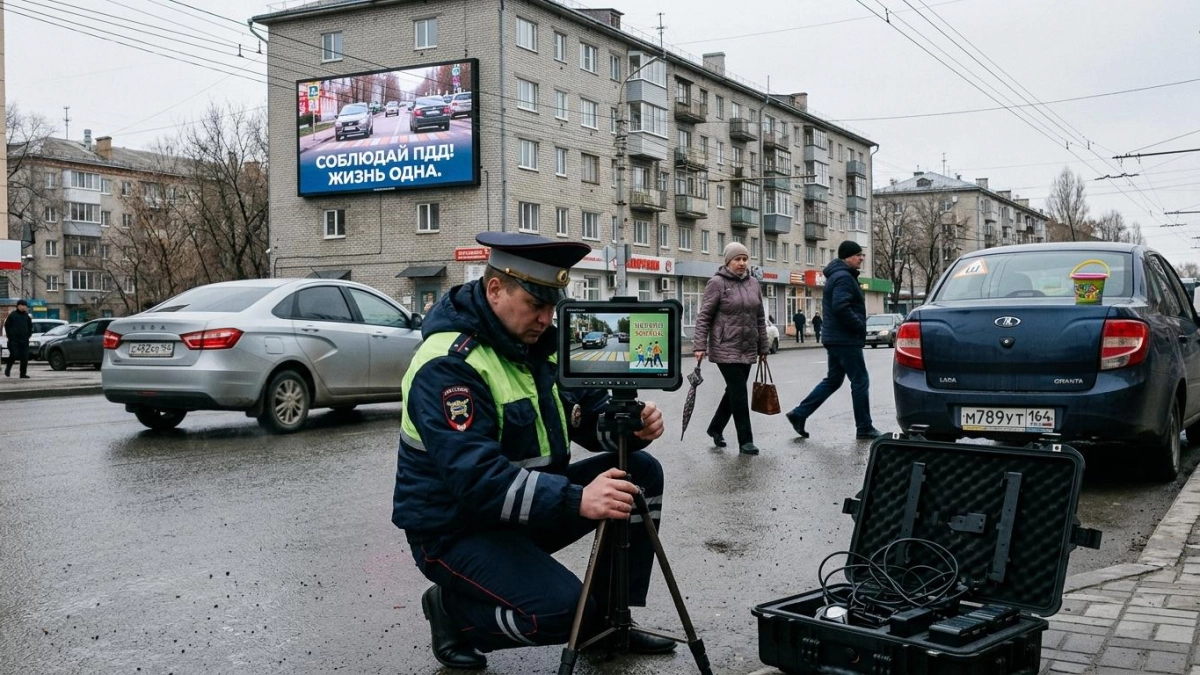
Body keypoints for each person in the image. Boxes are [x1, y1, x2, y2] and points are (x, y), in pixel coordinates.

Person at [392, 232, 675, 670]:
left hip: (520, 511)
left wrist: (631, 427)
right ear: (494, 289)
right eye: (535, 305)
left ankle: (610, 621)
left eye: (552, 306)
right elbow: (478, 481)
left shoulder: (540, 346)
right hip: (456, 530)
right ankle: (451, 612)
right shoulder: (449, 365)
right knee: (560, 614)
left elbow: (590, 417)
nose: (546, 318)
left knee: (638, 470)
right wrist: (578, 500)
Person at [786, 241, 883, 441]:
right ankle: (864, 427)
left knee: (833, 380)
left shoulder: (838, 276)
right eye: (858, 255)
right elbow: (841, 307)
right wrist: (859, 326)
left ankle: (799, 413)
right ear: (847, 257)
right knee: (860, 380)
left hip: (836, 337)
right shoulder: (844, 278)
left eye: (862, 254)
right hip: (845, 339)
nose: (861, 258)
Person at [692, 242, 770, 455]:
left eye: (745, 259)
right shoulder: (717, 283)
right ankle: (746, 441)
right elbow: (704, 316)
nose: (742, 263)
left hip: (748, 347)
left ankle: (715, 428)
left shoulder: (754, 283)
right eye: (738, 259)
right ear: (728, 261)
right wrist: (699, 345)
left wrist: (764, 346)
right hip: (725, 347)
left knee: (733, 392)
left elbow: (760, 318)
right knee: (739, 391)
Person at [4, 300, 34, 379]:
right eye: (22, 305)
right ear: (18, 306)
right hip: (14, 340)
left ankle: (23, 374)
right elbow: (7, 326)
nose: (24, 307)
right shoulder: (13, 315)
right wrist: (10, 336)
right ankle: (8, 368)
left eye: (25, 305)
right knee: (14, 354)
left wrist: (28, 335)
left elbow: (30, 327)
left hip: (24, 340)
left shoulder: (26, 316)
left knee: (25, 357)